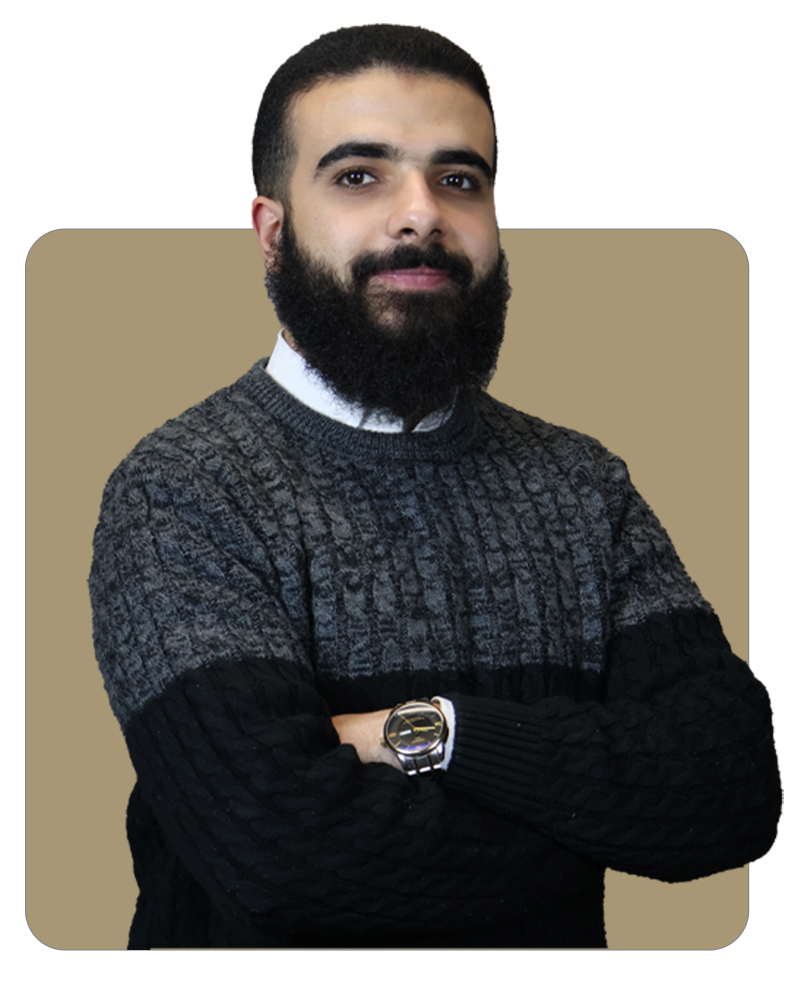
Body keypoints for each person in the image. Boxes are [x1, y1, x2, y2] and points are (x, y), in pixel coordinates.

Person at [88, 23, 781, 949]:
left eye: (459, 180)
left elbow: (729, 791)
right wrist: (597, 817)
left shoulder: (582, 485)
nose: (419, 216)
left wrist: (433, 731)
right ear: (272, 233)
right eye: (358, 176)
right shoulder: (181, 490)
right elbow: (280, 858)